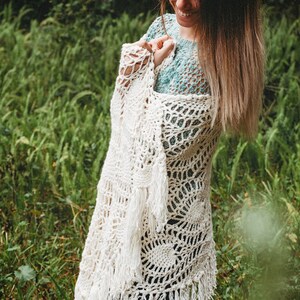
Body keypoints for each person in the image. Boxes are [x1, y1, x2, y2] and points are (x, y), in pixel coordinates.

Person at [74, 0, 265, 299]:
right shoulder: (163, 26)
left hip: (170, 223)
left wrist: (137, 75)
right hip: (132, 217)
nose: (180, 3)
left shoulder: (214, 59)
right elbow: (127, 123)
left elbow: (166, 145)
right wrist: (141, 65)